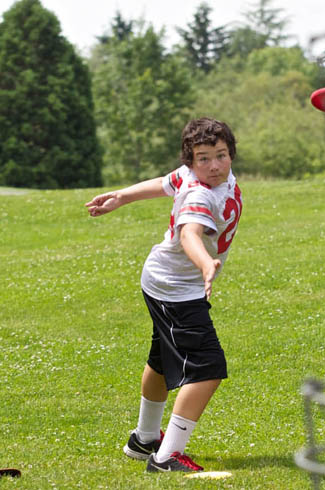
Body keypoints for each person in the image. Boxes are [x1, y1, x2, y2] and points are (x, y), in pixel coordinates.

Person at [85, 117, 242, 473]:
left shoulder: (193, 175)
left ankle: (144, 440)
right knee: (207, 369)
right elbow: (189, 233)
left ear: (231, 152)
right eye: (204, 158)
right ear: (192, 161)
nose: (214, 165)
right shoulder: (200, 192)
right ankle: (167, 456)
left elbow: (164, 182)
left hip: (163, 282)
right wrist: (205, 263)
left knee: (161, 358)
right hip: (176, 289)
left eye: (221, 155)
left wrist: (121, 196)